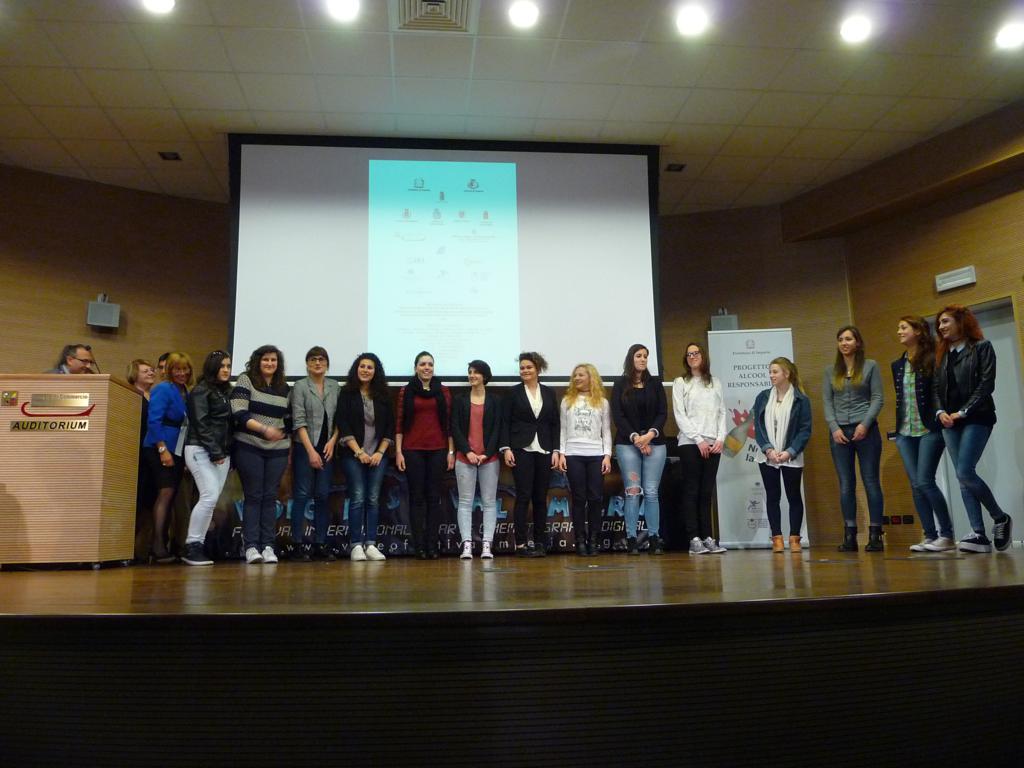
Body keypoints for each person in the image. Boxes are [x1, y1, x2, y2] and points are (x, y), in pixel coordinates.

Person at [933, 304, 1013, 553]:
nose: (941, 327)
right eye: (939, 323)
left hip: (977, 417)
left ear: (961, 322)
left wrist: (963, 411)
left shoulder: (981, 347)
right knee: (962, 477)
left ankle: (1000, 517)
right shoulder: (942, 354)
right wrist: (940, 412)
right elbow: (935, 388)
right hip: (949, 421)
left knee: (965, 471)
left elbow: (987, 384)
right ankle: (978, 534)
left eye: (945, 321)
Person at [892, 316, 955, 552]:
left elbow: (937, 392)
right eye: (899, 328)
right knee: (916, 485)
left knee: (925, 481)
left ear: (918, 331)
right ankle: (929, 535)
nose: (899, 331)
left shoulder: (932, 358)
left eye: (903, 327)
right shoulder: (897, 365)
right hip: (905, 431)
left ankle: (947, 535)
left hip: (929, 429)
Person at [824, 325, 884, 552]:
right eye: (840, 339)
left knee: (870, 481)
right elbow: (827, 402)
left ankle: (876, 535)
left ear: (857, 343)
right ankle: (850, 535)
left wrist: (865, 424)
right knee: (846, 484)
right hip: (839, 433)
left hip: (866, 431)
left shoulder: (870, 366)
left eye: (848, 339)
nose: (844, 343)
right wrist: (834, 428)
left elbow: (877, 398)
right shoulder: (830, 371)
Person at [230, 345, 291, 565]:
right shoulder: (246, 380)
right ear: (258, 361)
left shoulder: (284, 387)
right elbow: (239, 412)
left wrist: (283, 436)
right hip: (249, 446)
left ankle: (268, 546)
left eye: (274, 360)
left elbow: (288, 419)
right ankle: (251, 547)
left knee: (270, 497)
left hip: (278, 450)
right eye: (266, 359)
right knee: (254, 496)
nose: (270, 364)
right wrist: (264, 430)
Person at [500, 352, 560, 557]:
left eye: (529, 367)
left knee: (540, 497)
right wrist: (506, 448)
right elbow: (505, 422)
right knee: (523, 496)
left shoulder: (549, 392)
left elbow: (554, 423)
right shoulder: (513, 392)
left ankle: (541, 542)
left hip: (544, 449)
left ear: (538, 369)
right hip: (521, 449)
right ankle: (521, 544)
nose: (525, 370)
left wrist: (556, 450)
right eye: (522, 368)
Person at [337, 353, 394, 562]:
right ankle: (355, 545)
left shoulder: (384, 395)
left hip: (378, 455)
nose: (365, 370)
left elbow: (390, 426)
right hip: (353, 454)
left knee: (373, 499)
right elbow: (342, 423)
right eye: (362, 366)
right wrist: (359, 452)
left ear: (375, 371)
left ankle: (370, 544)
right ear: (356, 368)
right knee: (358, 497)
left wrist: (379, 452)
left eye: (370, 367)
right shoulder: (347, 393)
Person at [395, 351, 453, 559]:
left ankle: (432, 545)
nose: (426, 367)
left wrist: (451, 452)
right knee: (417, 498)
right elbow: (399, 423)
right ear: (415, 368)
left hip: (438, 450)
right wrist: (398, 452)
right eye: (422, 364)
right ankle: (419, 546)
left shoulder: (443, 391)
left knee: (434, 498)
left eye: (430, 364)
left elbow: (449, 424)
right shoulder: (406, 390)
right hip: (412, 450)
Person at [611, 343, 668, 554]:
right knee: (633, 491)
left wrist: (649, 435)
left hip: (654, 441)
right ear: (631, 358)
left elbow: (662, 413)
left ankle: (654, 537)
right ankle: (631, 538)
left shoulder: (655, 383)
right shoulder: (620, 384)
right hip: (628, 443)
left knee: (651, 492)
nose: (643, 359)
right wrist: (637, 438)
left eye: (645, 356)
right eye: (638, 356)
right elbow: (618, 416)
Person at [672, 342, 728, 555]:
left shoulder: (715, 382)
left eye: (696, 353)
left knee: (706, 492)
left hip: (714, 443)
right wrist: (698, 439)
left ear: (703, 356)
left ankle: (708, 537)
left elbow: (722, 412)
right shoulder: (681, 382)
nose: (692, 356)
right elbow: (680, 414)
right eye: (689, 354)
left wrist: (720, 438)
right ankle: (694, 538)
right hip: (690, 442)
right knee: (692, 490)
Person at [753, 358, 813, 553]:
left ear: (786, 374)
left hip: (791, 456)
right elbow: (758, 427)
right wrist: (768, 449)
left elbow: (805, 430)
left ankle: (794, 538)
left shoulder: (801, 400)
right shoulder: (762, 397)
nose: (771, 375)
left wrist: (789, 452)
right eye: (770, 372)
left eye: (775, 372)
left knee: (794, 496)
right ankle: (777, 538)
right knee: (773, 496)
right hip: (767, 456)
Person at [182, 351, 234, 566]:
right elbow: (201, 424)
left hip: (221, 453)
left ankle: (198, 545)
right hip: (201, 450)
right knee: (209, 497)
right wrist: (215, 452)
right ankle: (192, 545)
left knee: (210, 500)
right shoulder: (201, 391)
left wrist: (224, 453)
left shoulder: (225, 391)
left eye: (228, 366)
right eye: (222, 366)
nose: (226, 370)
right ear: (212, 367)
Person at [289, 346, 340, 562]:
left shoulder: (335, 386)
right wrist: (310, 451)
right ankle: (297, 544)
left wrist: (333, 442)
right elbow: (298, 420)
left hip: (328, 447)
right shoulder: (300, 386)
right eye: (313, 359)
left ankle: (321, 543)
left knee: (322, 495)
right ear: (307, 364)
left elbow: (340, 419)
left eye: (321, 359)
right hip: (305, 447)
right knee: (302, 494)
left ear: (327, 364)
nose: (317, 363)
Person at [142, 351, 194, 563]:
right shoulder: (163, 389)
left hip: (177, 448)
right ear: (169, 371)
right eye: (177, 369)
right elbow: (154, 421)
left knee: (171, 496)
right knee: (165, 493)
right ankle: (157, 546)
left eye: (185, 369)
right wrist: (162, 449)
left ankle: (163, 543)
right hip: (159, 447)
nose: (181, 373)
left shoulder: (185, 391)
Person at [556, 363, 611, 556]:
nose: (577, 378)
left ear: (591, 377)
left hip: (596, 454)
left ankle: (594, 540)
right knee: (578, 498)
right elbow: (563, 430)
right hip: (573, 454)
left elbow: (606, 431)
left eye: (581, 375)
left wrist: (607, 455)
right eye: (575, 375)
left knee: (595, 498)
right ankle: (579, 540)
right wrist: (562, 453)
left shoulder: (602, 402)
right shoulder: (567, 401)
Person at [452, 360, 503, 560]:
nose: (472, 375)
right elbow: (455, 427)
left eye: (476, 372)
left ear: (485, 376)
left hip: (489, 459)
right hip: (464, 458)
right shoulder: (460, 399)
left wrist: (487, 453)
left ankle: (487, 545)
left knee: (489, 502)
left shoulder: (496, 400)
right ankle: (466, 544)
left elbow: (497, 428)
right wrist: (467, 451)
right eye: (470, 372)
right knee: (465, 502)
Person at [127, 358, 157, 556]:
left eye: (152, 370)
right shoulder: (129, 394)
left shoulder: (153, 396)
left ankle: (143, 549)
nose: (151, 373)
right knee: (137, 502)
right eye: (145, 371)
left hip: (152, 454)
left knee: (149, 501)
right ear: (134, 374)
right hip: (135, 453)